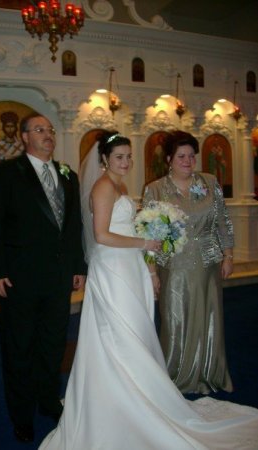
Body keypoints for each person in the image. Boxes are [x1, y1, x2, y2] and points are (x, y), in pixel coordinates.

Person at [39, 131, 258, 449]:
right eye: (119, 157)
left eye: (129, 156)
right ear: (104, 159)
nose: (126, 162)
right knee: (121, 333)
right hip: (113, 269)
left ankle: (132, 392)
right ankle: (122, 399)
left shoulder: (119, 185)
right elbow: (101, 235)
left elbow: (123, 225)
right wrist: (145, 242)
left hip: (127, 265)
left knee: (134, 333)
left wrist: (145, 249)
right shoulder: (103, 187)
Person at [0, 112, 87, 443]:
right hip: (19, 279)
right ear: (25, 137)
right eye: (39, 130)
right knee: (20, 348)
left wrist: (78, 266)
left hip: (57, 279)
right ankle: (22, 414)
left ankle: (46, 400)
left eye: (51, 130)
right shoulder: (6, 173)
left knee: (53, 345)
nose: (48, 134)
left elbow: (73, 226)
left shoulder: (67, 175)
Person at [143, 130, 234, 395]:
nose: (188, 160)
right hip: (174, 266)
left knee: (210, 318)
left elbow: (222, 222)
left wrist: (227, 256)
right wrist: (152, 272)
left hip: (207, 264)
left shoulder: (209, 182)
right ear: (169, 158)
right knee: (175, 321)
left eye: (192, 156)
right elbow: (149, 234)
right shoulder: (156, 189)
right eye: (181, 156)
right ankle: (175, 374)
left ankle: (209, 372)